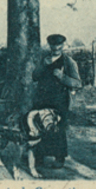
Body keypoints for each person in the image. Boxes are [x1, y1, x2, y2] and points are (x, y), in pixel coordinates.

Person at [31, 34, 82, 168]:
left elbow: (77, 83)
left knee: (58, 128)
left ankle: (59, 158)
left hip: (59, 101)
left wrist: (62, 77)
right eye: (53, 45)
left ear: (63, 45)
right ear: (50, 46)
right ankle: (40, 157)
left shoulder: (68, 62)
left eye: (59, 45)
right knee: (40, 126)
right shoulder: (43, 59)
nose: (56, 48)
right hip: (42, 99)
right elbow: (34, 76)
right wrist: (42, 66)